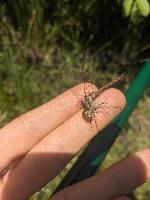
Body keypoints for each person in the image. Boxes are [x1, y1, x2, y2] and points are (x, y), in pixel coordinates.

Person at [0, 83, 149, 200]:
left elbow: (98, 108)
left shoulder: (93, 106)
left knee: (105, 103)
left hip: (97, 99)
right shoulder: (89, 108)